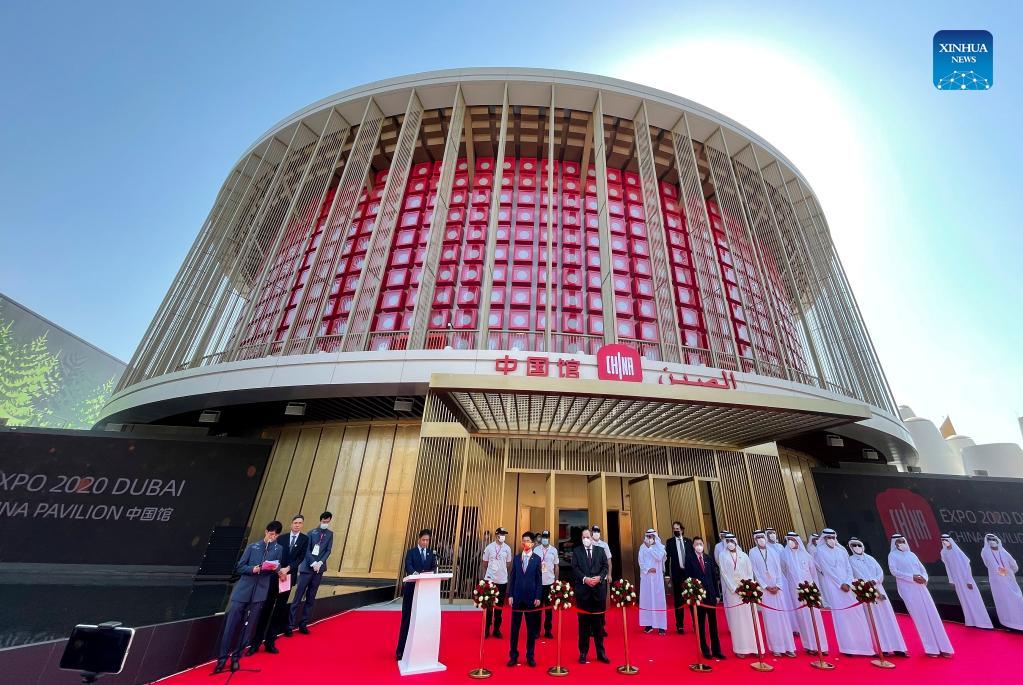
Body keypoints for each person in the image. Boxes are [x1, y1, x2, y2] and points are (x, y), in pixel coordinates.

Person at [213, 521, 283, 674]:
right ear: (266, 531)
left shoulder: (278, 549)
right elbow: (239, 567)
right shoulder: (253, 547)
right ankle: (222, 659)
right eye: (271, 534)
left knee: (248, 627)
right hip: (243, 591)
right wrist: (253, 569)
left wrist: (276, 568)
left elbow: (277, 565)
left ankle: (236, 658)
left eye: (275, 535)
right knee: (230, 626)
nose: (272, 537)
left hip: (260, 592)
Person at [249, 514, 308, 654]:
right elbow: (274, 554)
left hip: (288, 577)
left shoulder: (305, 539)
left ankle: (270, 642)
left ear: (302, 525)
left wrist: (288, 569)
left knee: (279, 610)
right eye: (295, 522)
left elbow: (300, 558)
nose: (297, 525)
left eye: (300, 523)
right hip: (275, 575)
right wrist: (280, 569)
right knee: (266, 608)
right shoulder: (282, 537)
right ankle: (256, 642)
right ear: (291, 523)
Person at [888, 533, 953, 657]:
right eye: (898, 542)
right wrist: (912, 577)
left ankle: (944, 647)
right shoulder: (892, 555)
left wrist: (924, 578)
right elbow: (894, 571)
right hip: (909, 590)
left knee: (933, 615)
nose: (901, 543)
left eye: (902, 541)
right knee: (921, 618)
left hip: (922, 588)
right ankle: (931, 649)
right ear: (894, 544)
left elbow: (922, 569)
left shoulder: (912, 555)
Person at [813, 528, 873, 656]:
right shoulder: (820, 551)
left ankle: (865, 647)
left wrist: (848, 582)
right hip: (834, 586)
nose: (831, 540)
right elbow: (827, 570)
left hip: (849, 586)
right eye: (828, 538)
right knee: (842, 617)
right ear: (824, 538)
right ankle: (848, 648)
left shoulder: (841, 550)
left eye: (833, 537)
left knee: (857, 613)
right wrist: (840, 583)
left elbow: (848, 568)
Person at [848, 537, 907, 656]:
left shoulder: (870, 558)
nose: (857, 547)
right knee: (874, 619)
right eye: (854, 545)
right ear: (851, 547)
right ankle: (882, 648)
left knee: (888, 617)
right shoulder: (850, 560)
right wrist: (867, 584)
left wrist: (875, 581)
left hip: (879, 587)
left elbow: (880, 572)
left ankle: (898, 647)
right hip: (866, 591)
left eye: (858, 545)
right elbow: (855, 575)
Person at [780, 532, 828, 655]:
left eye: (793, 540)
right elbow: (784, 571)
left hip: (810, 591)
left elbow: (813, 574)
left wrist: (815, 590)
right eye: (789, 540)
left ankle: (822, 646)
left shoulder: (806, 556)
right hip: (796, 591)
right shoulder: (784, 555)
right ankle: (809, 646)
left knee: (815, 617)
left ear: (798, 541)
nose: (791, 542)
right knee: (802, 618)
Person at [749, 530, 796, 656]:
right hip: (766, 590)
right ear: (755, 539)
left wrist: (778, 585)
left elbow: (779, 569)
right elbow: (755, 571)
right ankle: (776, 648)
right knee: (770, 619)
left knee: (783, 617)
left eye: (762, 537)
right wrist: (765, 586)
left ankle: (789, 647)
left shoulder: (773, 551)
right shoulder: (752, 552)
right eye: (758, 537)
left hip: (778, 588)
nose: (761, 539)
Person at [396, 529, 438, 661]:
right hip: (411, 589)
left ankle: (420, 650)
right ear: (419, 539)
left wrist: (431, 573)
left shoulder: (431, 553)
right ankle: (401, 650)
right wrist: (416, 574)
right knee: (407, 619)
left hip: (425, 591)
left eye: (427, 540)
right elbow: (408, 566)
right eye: (423, 540)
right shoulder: (411, 552)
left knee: (423, 620)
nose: (425, 542)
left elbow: (434, 567)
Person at [289, 511, 333, 635]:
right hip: (307, 569)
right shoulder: (311, 532)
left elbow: (328, 550)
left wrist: (320, 562)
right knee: (298, 597)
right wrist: (313, 562)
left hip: (319, 570)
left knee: (311, 598)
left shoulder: (330, 534)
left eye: (327, 521)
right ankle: (290, 625)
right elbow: (306, 550)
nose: (325, 523)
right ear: (320, 520)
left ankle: (303, 623)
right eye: (323, 521)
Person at [719, 533, 762, 657]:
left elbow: (749, 572)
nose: (730, 543)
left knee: (750, 618)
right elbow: (724, 573)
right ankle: (741, 649)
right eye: (727, 541)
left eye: (732, 541)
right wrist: (734, 587)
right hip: (733, 592)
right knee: (737, 620)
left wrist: (748, 586)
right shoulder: (722, 555)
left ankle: (755, 648)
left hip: (747, 591)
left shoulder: (744, 555)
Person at [572, 527, 610, 663]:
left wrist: (599, 578)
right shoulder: (577, 551)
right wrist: (585, 579)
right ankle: (583, 652)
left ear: (592, 537)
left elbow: (605, 566)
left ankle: (601, 653)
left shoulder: (600, 550)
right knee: (583, 625)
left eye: (588, 537)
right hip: (583, 593)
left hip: (598, 592)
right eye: (584, 537)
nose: (586, 539)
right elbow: (575, 568)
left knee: (598, 625)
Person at [940, 534, 993, 629]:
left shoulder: (957, 551)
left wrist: (969, 580)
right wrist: (951, 580)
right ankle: (971, 622)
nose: (944, 541)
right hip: (957, 581)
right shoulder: (943, 552)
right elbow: (947, 567)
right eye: (942, 540)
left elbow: (967, 565)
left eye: (946, 539)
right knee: (964, 601)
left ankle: (983, 622)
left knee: (974, 599)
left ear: (950, 540)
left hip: (966, 579)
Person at [507, 532, 543, 667]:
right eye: (523, 540)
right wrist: (510, 595)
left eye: (527, 540)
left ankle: (530, 656)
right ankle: (513, 656)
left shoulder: (537, 559)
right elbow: (513, 578)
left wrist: (538, 596)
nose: (525, 543)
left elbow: (539, 580)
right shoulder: (517, 558)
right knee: (514, 630)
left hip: (531, 599)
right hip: (517, 598)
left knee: (531, 630)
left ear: (532, 543)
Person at [688, 536, 726, 659]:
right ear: (693, 546)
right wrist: (693, 595)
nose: (699, 546)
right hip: (698, 596)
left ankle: (717, 650)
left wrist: (717, 594)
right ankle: (705, 649)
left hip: (710, 596)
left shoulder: (708, 558)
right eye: (696, 544)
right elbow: (688, 578)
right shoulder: (689, 559)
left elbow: (714, 577)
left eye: (700, 544)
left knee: (713, 624)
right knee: (700, 625)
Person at [981, 533, 1023, 630]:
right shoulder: (987, 552)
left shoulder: (1000, 553)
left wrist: (1007, 573)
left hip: (1006, 582)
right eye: (990, 540)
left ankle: (1016, 623)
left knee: (1013, 602)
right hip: (999, 584)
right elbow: (1015, 567)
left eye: (993, 539)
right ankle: (1011, 624)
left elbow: (1014, 566)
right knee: (1007, 603)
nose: (992, 541)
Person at [766, 527, 799, 635]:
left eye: (773, 533)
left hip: (785, 578)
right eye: (769, 533)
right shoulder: (766, 548)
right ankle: (784, 629)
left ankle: (794, 627)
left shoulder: (780, 546)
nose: (772, 535)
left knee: (789, 601)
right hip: (774, 579)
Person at [482, 526, 512, 638]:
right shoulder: (489, 547)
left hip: (502, 581)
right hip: (490, 580)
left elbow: (508, 564)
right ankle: (487, 629)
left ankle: (496, 629)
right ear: (496, 535)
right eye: (501, 534)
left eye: (504, 535)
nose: (503, 536)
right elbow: (485, 563)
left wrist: (501, 570)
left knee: (499, 606)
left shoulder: (507, 548)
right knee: (489, 606)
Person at [663, 521, 691, 633]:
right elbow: (667, 559)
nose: (676, 530)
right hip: (677, 574)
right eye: (674, 529)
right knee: (678, 600)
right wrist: (667, 575)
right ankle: (680, 625)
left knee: (692, 598)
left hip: (688, 574)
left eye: (677, 529)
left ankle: (696, 623)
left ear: (682, 530)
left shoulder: (688, 541)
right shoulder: (670, 542)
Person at [638, 529, 667, 634]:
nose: (649, 538)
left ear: (655, 537)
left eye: (651, 536)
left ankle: (661, 626)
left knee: (659, 601)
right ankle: (648, 624)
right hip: (646, 578)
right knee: (647, 601)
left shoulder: (660, 547)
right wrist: (647, 569)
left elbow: (659, 557)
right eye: (648, 536)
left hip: (657, 579)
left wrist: (650, 548)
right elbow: (640, 561)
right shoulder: (642, 547)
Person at [536, 529, 559, 638]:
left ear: (549, 538)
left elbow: (556, 566)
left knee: (549, 609)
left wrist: (556, 581)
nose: (545, 539)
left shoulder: (553, 550)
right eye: (543, 537)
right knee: (537, 608)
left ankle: (548, 631)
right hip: (538, 583)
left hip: (550, 582)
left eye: (546, 537)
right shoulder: (536, 549)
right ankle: (536, 631)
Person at [591, 524, 613, 637]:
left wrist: (609, 574)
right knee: (591, 604)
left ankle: (601, 627)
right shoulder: (588, 543)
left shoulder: (604, 545)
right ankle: (591, 628)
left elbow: (609, 561)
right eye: (594, 531)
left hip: (602, 579)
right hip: (590, 579)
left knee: (601, 604)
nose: (596, 533)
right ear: (591, 532)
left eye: (597, 531)